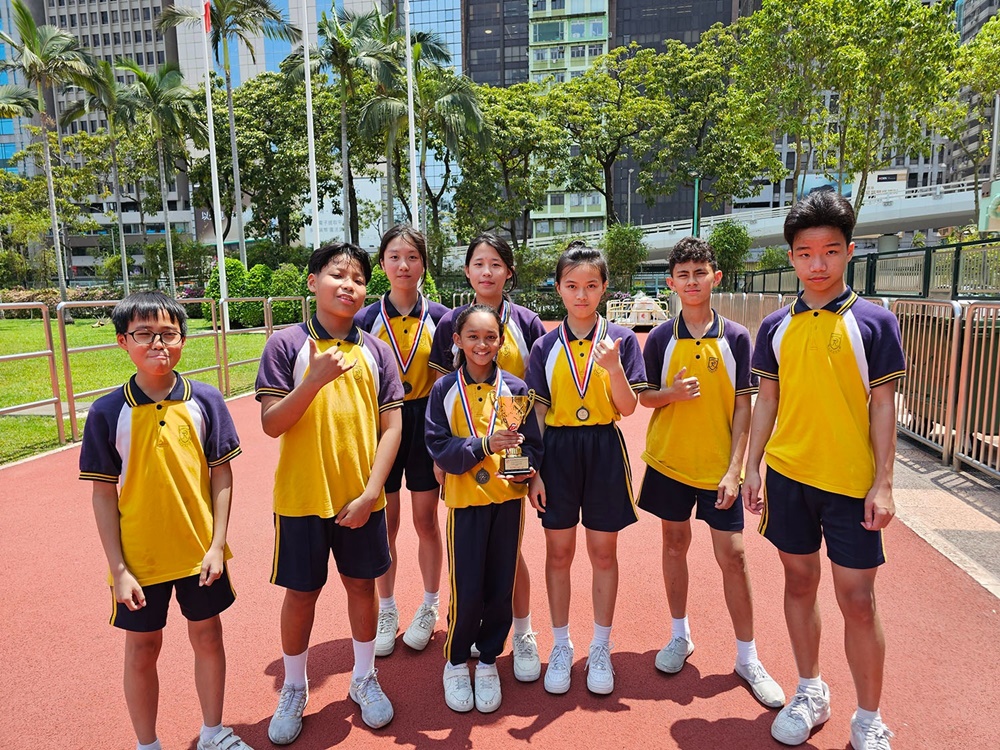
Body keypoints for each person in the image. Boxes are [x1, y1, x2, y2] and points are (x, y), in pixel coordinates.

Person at [742, 191, 905, 749]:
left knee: (857, 600)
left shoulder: (875, 322)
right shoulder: (774, 326)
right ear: (791, 256)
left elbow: (883, 406)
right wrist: (752, 467)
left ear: (850, 251)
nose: (818, 264)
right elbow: (767, 399)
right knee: (799, 582)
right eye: (806, 253)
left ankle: (869, 718)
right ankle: (810, 690)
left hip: (850, 482)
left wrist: (884, 482)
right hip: (789, 477)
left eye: (830, 251)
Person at [80, 290, 250, 750]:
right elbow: (103, 494)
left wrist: (217, 545)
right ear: (123, 341)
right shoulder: (107, 412)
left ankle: (213, 732)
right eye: (144, 334)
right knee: (142, 648)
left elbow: (221, 474)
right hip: (139, 559)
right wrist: (118, 568)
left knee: (208, 637)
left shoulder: (206, 400)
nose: (158, 343)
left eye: (169, 334)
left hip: (199, 552)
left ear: (183, 340)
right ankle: (147, 744)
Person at [256, 242, 404, 745]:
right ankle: (294, 687)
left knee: (362, 587)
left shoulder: (376, 350)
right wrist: (313, 381)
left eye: (359, 279)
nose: (349, 285)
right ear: (312, 281)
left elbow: (392, 428)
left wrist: (371, 493)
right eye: (338, 274)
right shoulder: (286, 344)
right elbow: (272, 424)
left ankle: (364, 677)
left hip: (361, 498)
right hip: (302, 497)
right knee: (301, 594)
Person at [637, 237, 784, 710]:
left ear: (715, 277)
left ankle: (748, 657)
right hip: (669, 462)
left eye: (700, 272)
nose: (692, 281)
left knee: (734, 557)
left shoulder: (737, 336)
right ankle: (679, 635)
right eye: (683, 274)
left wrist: (736, 468)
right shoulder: (660, 337)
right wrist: (672, 394)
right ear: (670, 283)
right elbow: (645, 397)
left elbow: (744, 406)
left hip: (719, 468)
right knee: (673, 545)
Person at [525, 242, 649, 696]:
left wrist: (614, 368)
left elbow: (628, 408)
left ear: (604, 288)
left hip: (603, 447)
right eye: (572, 285)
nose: (582, 295)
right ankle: (560, 645)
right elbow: (537, 414)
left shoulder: (621, 340)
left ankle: (600, 646)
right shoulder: (543, 346)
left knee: (603, 553)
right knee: (558, 553)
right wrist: (534, 472)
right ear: (558, 288)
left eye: (591, 285)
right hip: (556, 451)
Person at [428, 233, 547, 682]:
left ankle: (507, 643)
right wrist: (455, 456)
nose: (487, 271)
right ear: (458, 339)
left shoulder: (522, 353)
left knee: (504, 571)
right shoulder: (447, 381)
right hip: (464, 487)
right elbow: (440, 428)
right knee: (467, 578)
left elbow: (526, 429)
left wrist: (527, 471)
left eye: (496, 263)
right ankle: (457, 659)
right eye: (478, 263)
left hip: (506, 487)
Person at [356, 225, 450, 658]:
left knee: (425, 521)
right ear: (382, 264)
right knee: (385, 523)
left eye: (412, 257)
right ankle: (388, 608)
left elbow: (450, 382)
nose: (403, 265)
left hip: (427, 421)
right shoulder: (364, 319)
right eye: (394, 256)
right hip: (384, 423)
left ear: (423, 264)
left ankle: (429, 605)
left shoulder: (443, 318)